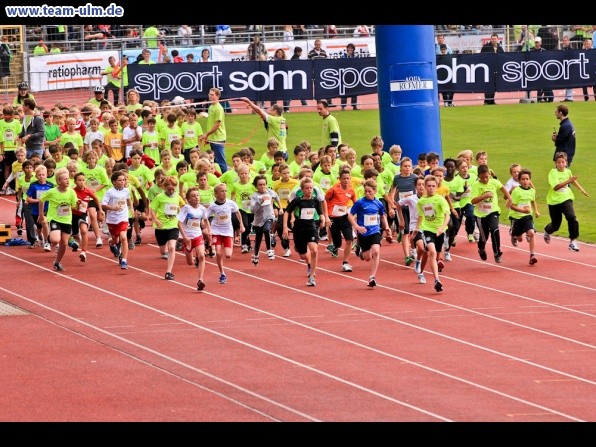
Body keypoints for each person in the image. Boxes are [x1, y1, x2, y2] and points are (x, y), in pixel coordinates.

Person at [283, 177, 325, 287]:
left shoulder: (315, 200)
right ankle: (309, 264)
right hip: (299, 229)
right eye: (306, 188)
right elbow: (287, 212)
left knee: (314, 250)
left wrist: (323, 218)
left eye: (311, 188)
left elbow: (320, 212)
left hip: (311, 227)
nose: (309, 190)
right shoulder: (298, 200)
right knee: (302, 255)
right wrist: (284, 227)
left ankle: (312, 276)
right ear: (302, 189)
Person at [543, 152, 589, 252]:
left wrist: (582, 190)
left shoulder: (568, 171)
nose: (561, 164)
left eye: (563, 162)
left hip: (566, 198)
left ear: (566, 162)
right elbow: (555, 187)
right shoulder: (553, 173)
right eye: (558, 162)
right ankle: (547, 230)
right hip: (554, 201)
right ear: (555, 163)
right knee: (556, 225)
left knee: (571, 217)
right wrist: (568, 181)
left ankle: (573, 241)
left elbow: (573, 181)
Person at [349, 179, 390, 288]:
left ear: (375, 191)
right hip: (363, 233)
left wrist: (386, 227)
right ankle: (361, 251)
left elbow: (382, 216)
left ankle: (372, 276)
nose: (367, 193)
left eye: (369, 191)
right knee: (367, 257)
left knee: (376, 252)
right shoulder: (360, 203)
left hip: (375, 231)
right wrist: (357, 226)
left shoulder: (379, 203)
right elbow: (350, 215)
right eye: (365, 191)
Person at [414, 174, 450, 292]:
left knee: (436, 255)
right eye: (428, 186)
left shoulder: (440, 199)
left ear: (436, 187)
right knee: (432, 253)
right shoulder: (421, 201)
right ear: (425, 186)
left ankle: (421, 271)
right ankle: (437, 280)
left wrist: (442, 227)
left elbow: (447, 215)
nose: (430, 188)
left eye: (433, 186)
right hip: (427, 229)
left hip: (440, 230)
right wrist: (416, 229)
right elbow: (421, 216)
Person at [39, 167, 78, 271]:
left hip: (66, 220)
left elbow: (74, 206)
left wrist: (78, 204)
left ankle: (57, 262)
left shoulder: (71, 192)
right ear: (58, 181)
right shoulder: (52, 191)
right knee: (55, 240)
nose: (67, 181)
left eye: (68, 178)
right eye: (65, 179)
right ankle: (48, 239)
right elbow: (41, 200)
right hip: (55, 218)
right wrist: (41, 214)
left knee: (64, 244)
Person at [471, 164, 512, 264]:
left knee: (494, 229)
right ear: (478, 176)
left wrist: (509, 198)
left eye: (487, 177)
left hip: (493, 211)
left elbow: (502, 187)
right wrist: (484, 196)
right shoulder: (476, 185)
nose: (485, 179)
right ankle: (481, 248)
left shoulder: (493, 182)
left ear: (489, 174)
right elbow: (473, 201)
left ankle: (497, 253)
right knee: (484, 237)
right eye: (482, 178)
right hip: (481, 215)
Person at [204, 183, 245, 285]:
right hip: (216, 230)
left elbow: (237, 213)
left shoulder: (231, 203)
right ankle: (222, 273)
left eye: (225, 191)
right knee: (218, 253)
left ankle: (214, 248)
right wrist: (208, 228)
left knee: (227, 255)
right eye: (222, 191)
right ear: (216, 194)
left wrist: (241, 224)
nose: (225, 193)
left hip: (227, 231)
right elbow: (205, 217)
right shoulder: (213, 206)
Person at [149, 175, 182, 280]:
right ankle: (164, 249)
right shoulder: (159, 197)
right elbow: (152, 209)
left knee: (172, 247)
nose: (172, 190)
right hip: (161, 227)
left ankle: (169, 272)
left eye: (173, 188)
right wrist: (156, 220)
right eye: (169, 188)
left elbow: (182, 206)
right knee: (163, 251)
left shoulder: (177, 196)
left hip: (173, 226)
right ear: (164, 187)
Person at [178, 186, 211, 291]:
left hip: (197, 235)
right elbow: (179, 223)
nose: (196, 198)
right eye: (193, 196)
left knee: (202, 256)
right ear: (188, 199)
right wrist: (184, 237)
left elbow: (205, 220)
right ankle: (188, 250)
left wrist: (209, 231)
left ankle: (200, 279)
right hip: (188, 237)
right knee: (190, 263)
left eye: (197, 195)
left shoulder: (202, 209)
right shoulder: (186, 209)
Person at [325, 168, 357, 272]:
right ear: (340, 179)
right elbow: (324, 201)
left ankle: (345, 263)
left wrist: (355, 213)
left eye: (348, 178)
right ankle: (335, 247)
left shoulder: (351, 191)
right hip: (334, 218)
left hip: (344, 217)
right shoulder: (333, 190)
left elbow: (355, 202)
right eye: (344, 178)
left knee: (349, 239)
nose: (346, 180)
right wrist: (326, 216)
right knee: (338, 242)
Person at [101, 169, 133, 269]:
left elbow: (128, 200)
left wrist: (131, 208)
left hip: (123, 218)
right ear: (114, 181)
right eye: (120, 180)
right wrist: (113, 208)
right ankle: (112, 243)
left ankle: (124, 260)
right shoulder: (109, 192)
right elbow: (103, 205)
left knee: (123, 237)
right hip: (112, 220)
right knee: (115, 240)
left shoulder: (126, 190)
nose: (122, 182)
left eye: (124, 180)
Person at [70, 172, 105, 261]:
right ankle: (76, 241)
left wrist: (100, 210)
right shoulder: (72, 191)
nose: (81, 182)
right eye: (79, 180)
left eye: (83, 180)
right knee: (75, 235)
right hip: (73, 215)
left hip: (83, 214)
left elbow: (96, 199)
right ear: (75, 181)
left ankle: (83, 252)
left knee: (84, 231)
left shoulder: (87, 191)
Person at [508, 169, 540, 265]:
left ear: (530, 180)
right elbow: (511, 205)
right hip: (516, 217)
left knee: (531, 233)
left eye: (527, 179)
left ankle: (532, 255)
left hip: (527, 217)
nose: (525, 181)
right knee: (520, 239)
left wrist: (536, 211)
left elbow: (533, 201)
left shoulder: (532, 191)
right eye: (523, 179)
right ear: (519, 180)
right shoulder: (516, 191)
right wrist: (522, 210)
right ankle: (513, 234)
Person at [250, 174, 280, 264]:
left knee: (267, 229)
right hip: (259, 220)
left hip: (269, 216)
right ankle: (255, 255)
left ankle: (269, 250)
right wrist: (260, 202)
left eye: (264, 184)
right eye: (260, 185)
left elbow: (277, 197)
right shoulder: (254, 196)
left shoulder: (270, 192)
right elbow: (252, 210)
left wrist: (280, 207)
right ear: (256, 186)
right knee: (258, 238)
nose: (262, 186)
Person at [199, 88, 228, 173]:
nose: (210, 96)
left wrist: (207, 134)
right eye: (209, 94)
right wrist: (209, 137)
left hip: (218, 138)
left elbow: (217, 125)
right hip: (213, 138)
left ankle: (224, 177)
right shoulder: (211, 106)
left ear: (217, 96)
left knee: (220, 161)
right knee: (215, 160)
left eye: (212, 95)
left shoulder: (218, 108)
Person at [480, 33, 504, 105]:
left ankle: (492, 100)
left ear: (497, 39)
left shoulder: (500, 48)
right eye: (492, 39)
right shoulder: (486, 47)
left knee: (494, 85)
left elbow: (503, 57)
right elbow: (481, 56)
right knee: (487, 85)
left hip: (496, 69)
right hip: (487, 69)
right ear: (491, 39)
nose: (494, 40)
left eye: (495, 39)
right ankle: (487, 100)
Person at [308, 39, 333, 105]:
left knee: (327, 86)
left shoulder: (324, 52)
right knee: (317, 88)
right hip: (315, 73)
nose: (318, 46)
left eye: (319, 44)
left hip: (323, 73)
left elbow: (326, 62)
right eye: (317, 44)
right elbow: (309, 63)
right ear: (315, 45)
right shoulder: (311, 53)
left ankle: (329, 102)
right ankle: (319, 103)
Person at [532, 36, 553, 103]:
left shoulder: (544, 51)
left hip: (543, 71)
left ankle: (545, 97)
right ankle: (540, 98)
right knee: (539, 86)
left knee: (545, 85)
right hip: (535, 71)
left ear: (540, 43)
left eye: (538, 42)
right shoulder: (531, 51)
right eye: (536, 42)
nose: (537, 43)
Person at [340, 43, 359, 111]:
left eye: (352, 49)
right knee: (344, 91)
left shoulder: (356, 56)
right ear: (347, 49)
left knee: (354, 91)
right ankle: (343, 106)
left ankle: (354, 105)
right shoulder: (343, 56)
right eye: (349, 48)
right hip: (345, 75)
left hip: (353, 75)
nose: (350, 50)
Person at [561, 35, 574, 102]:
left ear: (568, 41)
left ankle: (570, 97)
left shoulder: (571, 49)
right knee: (566, 83)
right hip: (565, 68)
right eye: (563, 41)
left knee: (569, 83)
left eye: (565, 40)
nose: (564, 42)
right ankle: (567, 97)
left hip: (570, 68)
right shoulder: (563, 49)